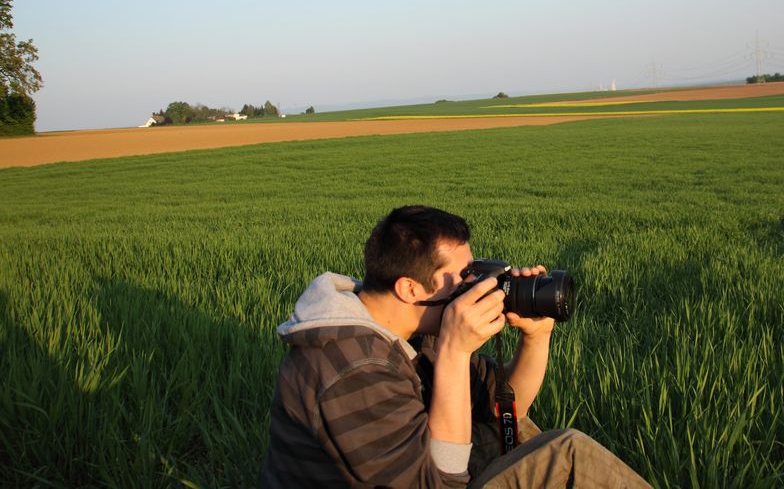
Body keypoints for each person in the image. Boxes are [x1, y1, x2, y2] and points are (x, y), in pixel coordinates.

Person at [261, 205, 650, 488]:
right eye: (462, 276)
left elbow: (507, 410)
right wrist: (455, 351)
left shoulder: (415, 325)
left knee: (510, 433)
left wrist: (536, 336)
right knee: (567, 455)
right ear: (410, 288)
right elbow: (439, 483)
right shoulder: (348, 367)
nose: (472, 284)